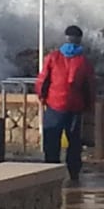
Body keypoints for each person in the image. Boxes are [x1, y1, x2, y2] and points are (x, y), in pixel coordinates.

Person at [34, 24, 95, 184]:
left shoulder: (53, 57)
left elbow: (43, 80)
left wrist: (42, 97)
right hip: (75, 106)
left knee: (52, 139)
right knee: (74, 141)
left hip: (55, 103)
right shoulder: (84, 61)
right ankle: (74, 172)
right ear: (79, 40)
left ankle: (51, 170)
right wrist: (88, 105)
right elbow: (89, 86)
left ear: (66, 38)